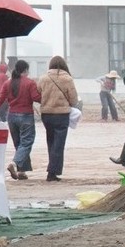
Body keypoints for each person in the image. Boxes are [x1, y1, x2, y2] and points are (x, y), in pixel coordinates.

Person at [0, 58, 39, 180]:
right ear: (25, 70)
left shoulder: (8, 82)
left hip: (12, 116)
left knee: (19, 144)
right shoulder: (30, 83)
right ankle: (14, 163)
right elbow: (36, 97)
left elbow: (0, 98)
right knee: (26, 142)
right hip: (26, 116)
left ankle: (22, 172)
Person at [36, 54, 80, 182]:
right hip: (62, 115)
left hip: (46, 114)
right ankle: (52, 172)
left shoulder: (44, 78)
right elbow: (74, 99)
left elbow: (39, 94)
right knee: (59, 144)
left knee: (51, 141)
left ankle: (52, 171)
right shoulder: (68, 79)